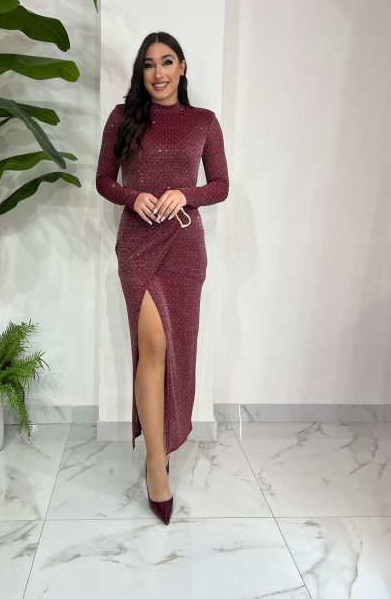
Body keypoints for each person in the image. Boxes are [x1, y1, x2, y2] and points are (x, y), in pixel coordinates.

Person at [96, 31, 229, 525]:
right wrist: (133, 197)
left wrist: (186, 194)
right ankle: (156, 464)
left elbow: (221, 185)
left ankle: (165, 442)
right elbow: (103, 179)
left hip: (185, 248)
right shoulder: (122, 117)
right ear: (141, 72)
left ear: (182, 67)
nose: (158, 73)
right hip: (137, 245)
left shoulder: (203, 121)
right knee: (152, 345)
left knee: (178, 349)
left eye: (167, 62)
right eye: (149, 64)